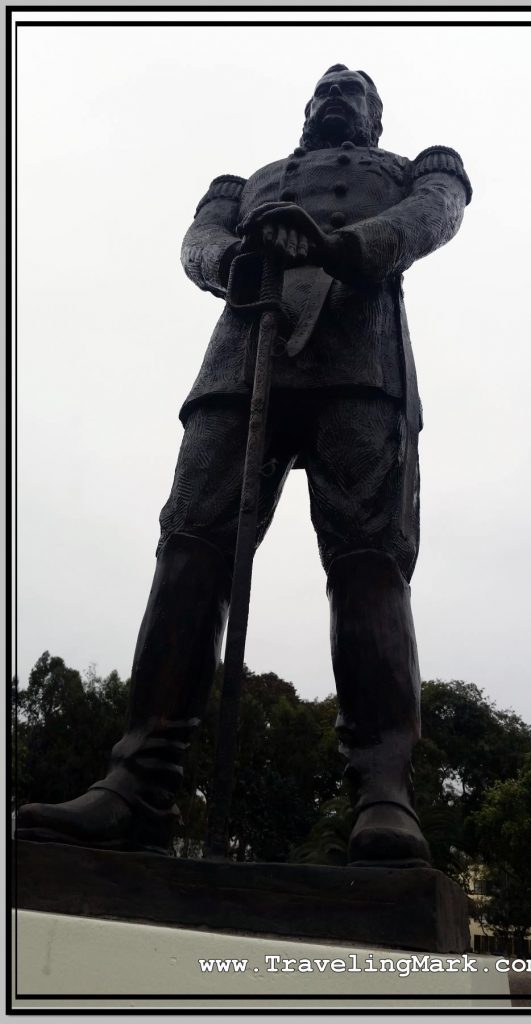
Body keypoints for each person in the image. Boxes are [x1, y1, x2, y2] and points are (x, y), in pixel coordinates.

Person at [17, 64, 472, 865]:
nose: (336, 95)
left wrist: (342, 245)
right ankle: (138, 788)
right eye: (324, 90)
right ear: (303, 112)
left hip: (360, 358)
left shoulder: (418, 165)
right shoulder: (243, 182)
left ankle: (381, 793)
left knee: (368, 565)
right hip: (241, 353)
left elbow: (431, 217)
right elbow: (197, 242)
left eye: (354, 91)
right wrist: (233, 263)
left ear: (374, 117)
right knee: (191, 550)